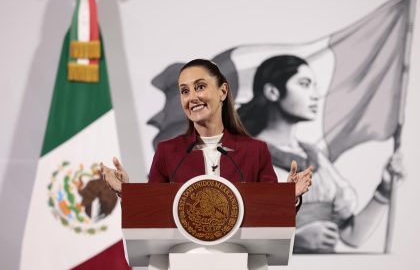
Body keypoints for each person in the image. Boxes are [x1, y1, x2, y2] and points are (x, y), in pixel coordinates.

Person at [237, 55, 405, 253]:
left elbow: (352, 236)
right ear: (273, 91)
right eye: (304, 84)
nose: (315, 95)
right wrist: (294, 240)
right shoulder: (244, 156)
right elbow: (224, 237)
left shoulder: (315, 157)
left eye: (314, 85)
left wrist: (384, 191)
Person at [100, 58, 312, 205]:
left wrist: (289, 197)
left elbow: (270, 214)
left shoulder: (255, 151)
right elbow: (153, 210)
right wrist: (126, 192)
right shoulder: (168, 152)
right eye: (184, 91)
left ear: (222, 91)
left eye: (200, 87)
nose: (192, 97)